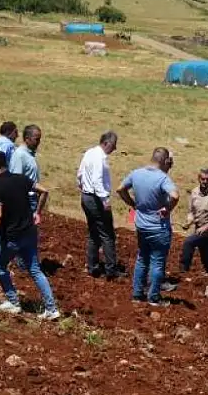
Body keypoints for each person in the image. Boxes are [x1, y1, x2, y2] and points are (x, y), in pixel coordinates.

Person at [0, 151, 59, 320]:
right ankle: (51, 308)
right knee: (35, 270)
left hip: (11, 237)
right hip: (29, 233)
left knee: (0, 267)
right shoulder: (21, 179)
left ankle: (13, 302)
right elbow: (44, 191)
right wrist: (37, 213)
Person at [117, 148, 179, 306]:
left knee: (142, 258)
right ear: (165, 161)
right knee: (157, 262)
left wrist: (131, 203)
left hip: (141, 225)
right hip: (158, 227)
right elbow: (175, 196)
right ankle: (154, 297)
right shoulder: (162, 178)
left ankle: (137, 295)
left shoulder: (136, 173)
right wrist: (167, 208)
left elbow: (120, 189)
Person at [77, 131, 121, 279]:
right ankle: (111, 270)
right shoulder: (99, 158)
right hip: (96, 199)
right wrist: (105, 200)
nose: (114, 149)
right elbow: (97, 180)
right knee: (107, 234)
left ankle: (92, 266)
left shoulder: (89, 153)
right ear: (106, 143)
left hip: (86, 197)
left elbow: (80, 174)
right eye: (113, 145)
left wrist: (82, 187)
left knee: (93, 233)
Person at [180, 168, 208, 276]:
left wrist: (206, 226)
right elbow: (191, 212)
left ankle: (183, 270)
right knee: (204, 247)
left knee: (189, 242)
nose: (205, 182)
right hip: (199, 227)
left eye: (207, 179)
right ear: (199, 179)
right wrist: (188, 222)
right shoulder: (194, 192)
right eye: (202, 179)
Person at [9, 124, 49, 218]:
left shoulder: (29, 154)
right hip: (25, 201)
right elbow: (16, 181)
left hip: (31, 200)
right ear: (27, 138)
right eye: (36, 139)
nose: (39, 142)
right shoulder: (20, 155)